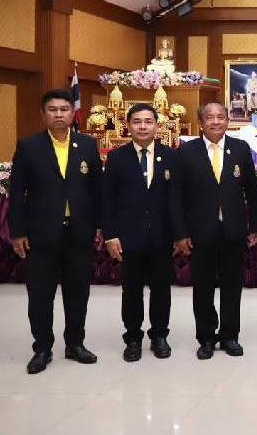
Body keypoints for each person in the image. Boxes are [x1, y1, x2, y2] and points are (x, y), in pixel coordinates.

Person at [9, 89, 103, 374]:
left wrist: (99, 227)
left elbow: (97, 190)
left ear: (73, 113)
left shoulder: (87, 145)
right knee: (40, 294)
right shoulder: (29, 147)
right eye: (53, 109)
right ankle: (42, 348)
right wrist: (17, 232)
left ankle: (75, 343)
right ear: (43, 114)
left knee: (78, 293)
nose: (59, 114)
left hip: (79, 233)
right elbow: (16, 194)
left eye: (64, 109)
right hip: (40, 235)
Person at [170, 102, 257, 360]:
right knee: (203, 287)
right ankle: (206, 337)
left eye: (221, 117)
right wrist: (180, 233)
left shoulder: (241, 150)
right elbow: (176, 197)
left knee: (233, 286)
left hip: (234, 231)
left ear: (228, 121)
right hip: (200, 232)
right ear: (201, 123)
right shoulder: (186, 153)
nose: (216, 122)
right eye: (210, 118)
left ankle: (230, 335)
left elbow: (253, 193)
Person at [102, 103, 178, 362]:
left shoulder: (171, 156)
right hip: (128, 238)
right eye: (137, 122)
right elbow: (107, 201)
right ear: (128, 126)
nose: (143, 126)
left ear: (157, 126)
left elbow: (177, 200)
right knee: (131, 290)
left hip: (162, 236)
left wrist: (179, 234)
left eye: (148, 121)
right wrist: (111, 235)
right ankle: (133, 337)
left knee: (161, 289)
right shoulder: (116, 158)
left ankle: (159, 335)